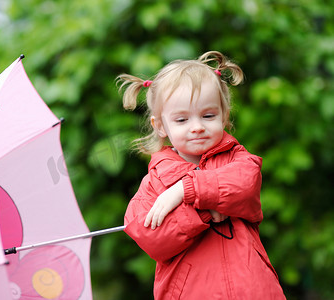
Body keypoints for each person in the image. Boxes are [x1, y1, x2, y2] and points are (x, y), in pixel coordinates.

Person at [118, 51, 286, 299]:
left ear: (224, 115)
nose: (197, 126)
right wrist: (203, 209)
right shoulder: (156, 180)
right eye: (182, 119)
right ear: (161, 126)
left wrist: (186, 190)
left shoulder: (238, 159)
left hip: (253, 290)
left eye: (208, 115)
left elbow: (245, 185)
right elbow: (148, 234)